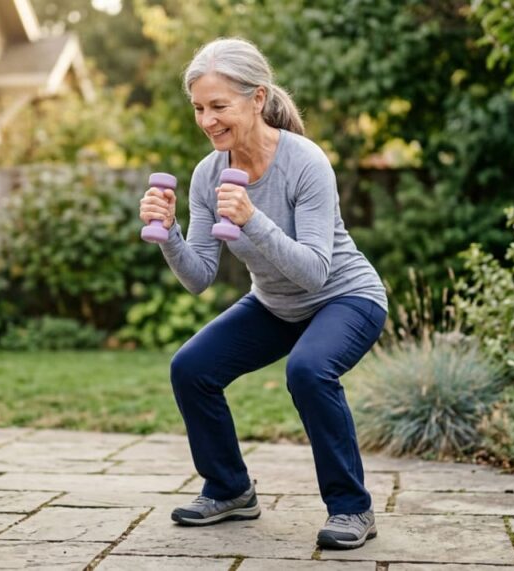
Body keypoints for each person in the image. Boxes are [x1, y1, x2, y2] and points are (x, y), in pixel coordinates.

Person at [138, 37, 388, 550]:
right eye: (199, 108)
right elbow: (200, 275)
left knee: (308, 370)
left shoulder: (305, 162)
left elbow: (316, 272)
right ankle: (229, 489)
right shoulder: (208, 175)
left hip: (346, 297)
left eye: (218, 106)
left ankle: (351, 508)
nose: (207, 120)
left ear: (257, 98)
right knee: (191, 368)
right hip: (277, 304)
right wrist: (170, 234)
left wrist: (252, 218)